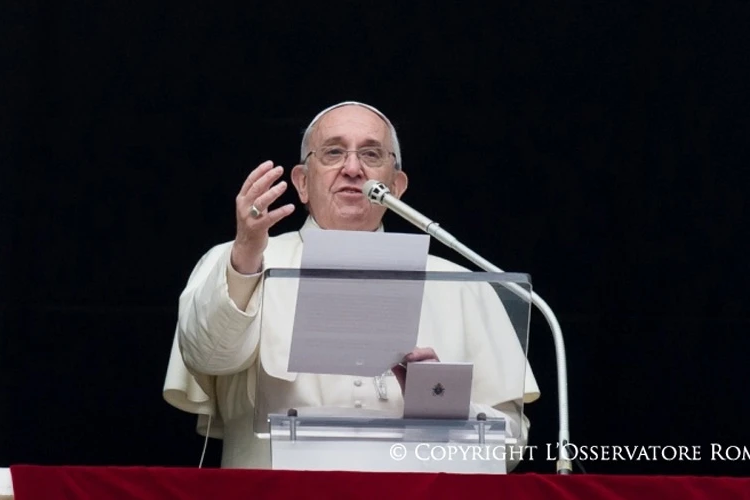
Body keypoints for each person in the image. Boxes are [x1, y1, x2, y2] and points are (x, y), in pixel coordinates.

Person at [163, 101, 540, 471]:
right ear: (302, 182)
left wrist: (442, 404)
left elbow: (511, 445)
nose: (353, 168)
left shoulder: (461, 286)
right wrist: (245, 252)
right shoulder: (237, 261)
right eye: (333, 152)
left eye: (372, 154)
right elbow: (207, 356)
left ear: (397, 185)